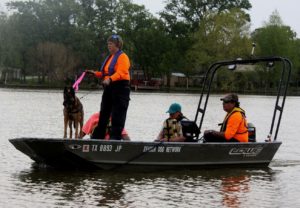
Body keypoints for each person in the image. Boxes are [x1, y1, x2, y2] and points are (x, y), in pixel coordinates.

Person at [86, 34, 130, 140]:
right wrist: (94, 73)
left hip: (120, 88)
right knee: (104, 112)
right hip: (109, 88)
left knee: (117, 114)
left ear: (117, 45)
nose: (108, 46)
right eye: (108, 44)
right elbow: (105, 73)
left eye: (111, 44)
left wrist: (110, 79)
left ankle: (115, 138)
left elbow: (121, 72)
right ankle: (98, 137)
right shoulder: (110, 57)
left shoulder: (123, 57)